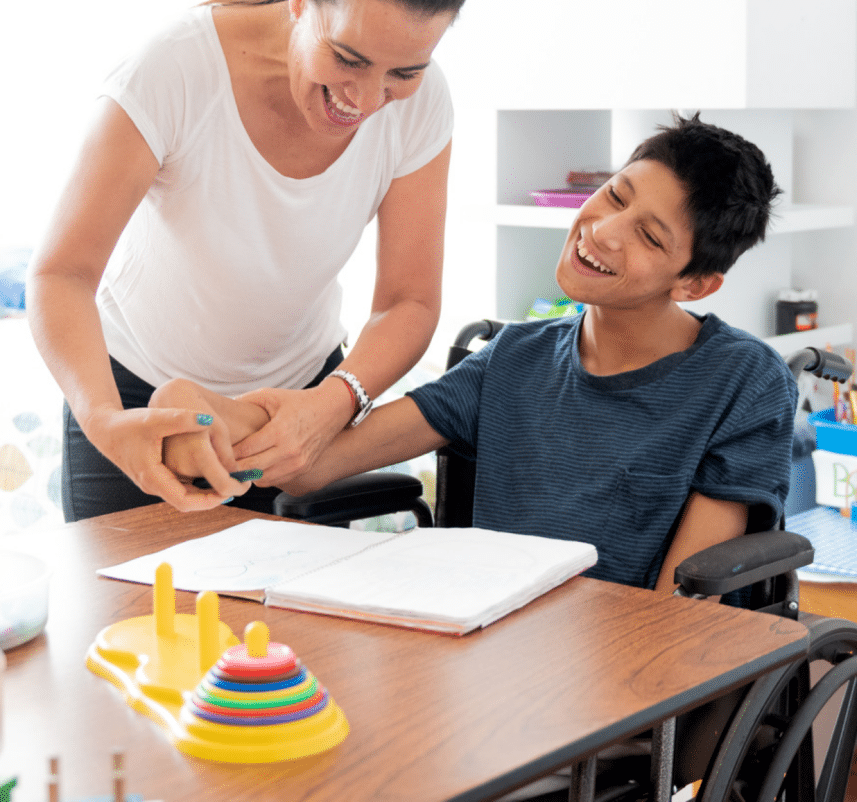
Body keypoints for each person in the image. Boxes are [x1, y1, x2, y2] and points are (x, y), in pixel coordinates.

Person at [156, 114, 797, 595]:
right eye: (616, 195)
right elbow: (315, 460)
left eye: (649, 236)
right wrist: (199, 410)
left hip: (623, 682)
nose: (601, 230)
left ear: (695, 282)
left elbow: (682, 613)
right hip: (485, 652)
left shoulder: (743, 383)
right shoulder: (512, 359)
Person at [26, 0, 470, 521]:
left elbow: (410, 300)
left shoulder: (424, 108)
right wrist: (103, 419)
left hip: (305, 411)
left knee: (293, 621)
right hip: (135, 398)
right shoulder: (173, 70)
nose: (368, 99)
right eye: (348, 58)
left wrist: (337, 401)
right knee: (132, 619)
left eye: (405, 72)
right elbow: (61, 274)